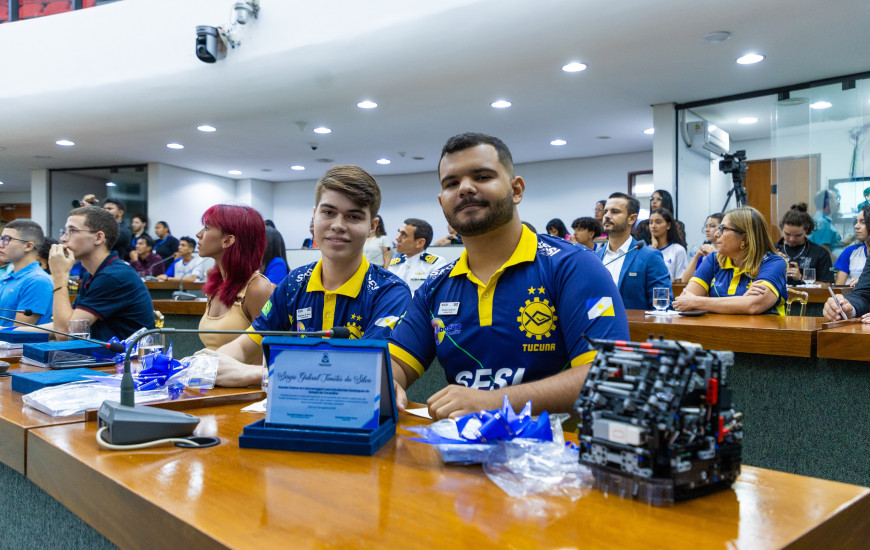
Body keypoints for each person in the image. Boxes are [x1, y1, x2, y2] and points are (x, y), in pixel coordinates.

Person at [388, 132, 628, 420]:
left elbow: (607, 376)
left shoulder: (574, 265)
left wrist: (493, 402)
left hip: (558, 442)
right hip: (458, 442)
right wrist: (386, 381)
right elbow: (396, 362)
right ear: (442, 202)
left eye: (482, 176)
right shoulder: (436, 285)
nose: (465, 188)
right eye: (452, 183)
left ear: (516, 190)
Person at [212, 166, 411, 386]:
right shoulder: (294, 283)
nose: (338, 225)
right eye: (328, 213)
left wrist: (256, 374)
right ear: (314, 215)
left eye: (353, 216)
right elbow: (242, 346)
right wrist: (209, 363)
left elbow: (365, 374)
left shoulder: (390, 291)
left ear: (372, 227)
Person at [47, 206, 154, 340]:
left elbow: (65, 333)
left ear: (98, 238)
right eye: (65, 231)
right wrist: (19, 331)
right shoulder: (92, 273)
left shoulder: (113, 276)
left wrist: (60, 276)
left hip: (127, 354)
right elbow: (69, 322)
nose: (63, 238)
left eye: (73, 231)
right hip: (101, 352)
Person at [673, 206, 787, 315]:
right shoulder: (713, 259)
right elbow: (684, 300)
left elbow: (753, 305)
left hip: (762, 328)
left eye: (723, 229)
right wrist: (742, 302)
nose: (716, 234)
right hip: (718, 327)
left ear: (745, 238)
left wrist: (697, 301)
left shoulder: (773, 263)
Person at [196, 205, 274, 351]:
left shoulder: (257, 288)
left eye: (206, 228)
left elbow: (268, 352)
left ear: (227, 240)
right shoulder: (215, 284)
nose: (198, 234)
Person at [595, 192, 671, 310]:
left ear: (631, 219)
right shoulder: (595, 257)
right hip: (600, 321)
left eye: (615, 212)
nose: (607, 216)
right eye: (605, 212)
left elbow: (663, 307)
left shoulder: (650, 257)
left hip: (635, 322)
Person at [0, 220, 53, 326]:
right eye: (1, 239)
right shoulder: (7, 277)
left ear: (28, 246)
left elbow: (19, 331)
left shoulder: (37, 280)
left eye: (7, 239)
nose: (1, 244)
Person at [774, 203, 834, 285]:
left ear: (806, 230)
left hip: (808, 293)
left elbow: (827, 286)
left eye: (797, 235)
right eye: (787, 234)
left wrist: (802, 278)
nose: (791, 239)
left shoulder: (820, 253)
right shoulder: (772, 251)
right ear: (782, 229)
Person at [389, 218, 447, 295]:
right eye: (399, 233)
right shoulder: (395, 264)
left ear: (420, 243)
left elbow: (436, 294)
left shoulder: (436, 264)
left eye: (404, 235)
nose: (397, 238)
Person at [834, 205, 870, 286]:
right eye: (856, 222)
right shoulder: (849, 252)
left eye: (863, 222)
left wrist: (863, 283)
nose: (856, 226)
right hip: (853, 294)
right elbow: (838, 288)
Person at [649, 208, 688, 282]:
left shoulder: (678, 250)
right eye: (650, 222)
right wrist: (653, 247)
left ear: (668, 225)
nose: (653, 226)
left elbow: (679, 282)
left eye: (658, 222)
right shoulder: (646, 250)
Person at [681, 213, 723, 282]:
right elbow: (685, 280)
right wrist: (696, 257)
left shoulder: (728, 251)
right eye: (706, 226)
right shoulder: (705, 251)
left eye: (712, 226)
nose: (707, 230)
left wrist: (716, 254)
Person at [809, 188, 843, 254]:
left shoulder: (821, 220)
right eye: (836, 198)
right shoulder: (822, 222)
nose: (838, 202)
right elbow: (824, 252)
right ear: (828, 201)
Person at [102, 197, 132, 261]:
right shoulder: (102, 227)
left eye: (109, 209)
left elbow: (102, 241)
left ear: (120, 212)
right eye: (104, 209)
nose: (106, 211)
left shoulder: (124, 231)